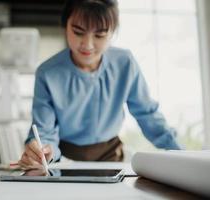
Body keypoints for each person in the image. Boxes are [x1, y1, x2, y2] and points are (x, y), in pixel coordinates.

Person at [18, 0, 181, 170]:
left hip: (112, 157)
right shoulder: (47, 73)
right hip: (65, 161)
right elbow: (44, 132)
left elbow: (148, 116)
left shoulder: (125, 63)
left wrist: (181, 154)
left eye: (99, 35)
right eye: (78, 32)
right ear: (65, 26)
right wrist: (42, 152)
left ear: (112, 32)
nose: (87, 45)